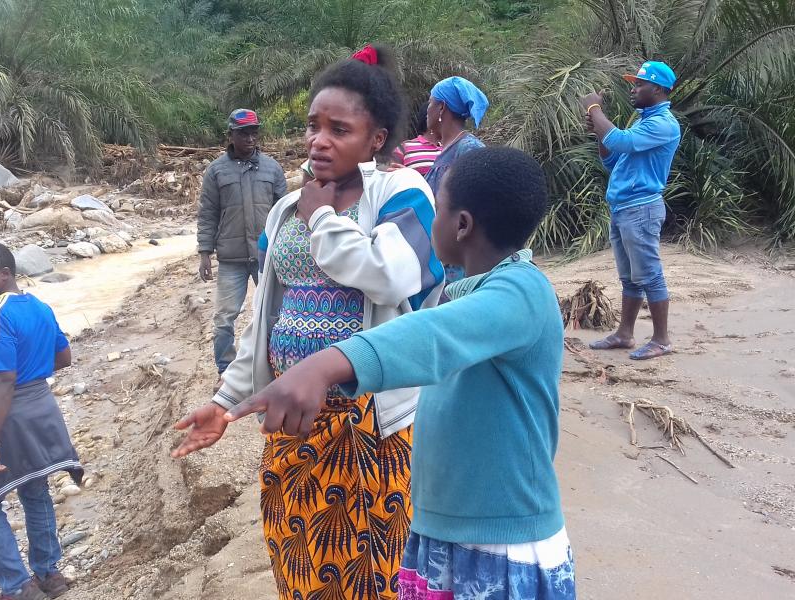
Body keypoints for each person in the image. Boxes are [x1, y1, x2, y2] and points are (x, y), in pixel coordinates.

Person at [226, 146, 575, 600]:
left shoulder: (522, 292)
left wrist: (325, 363)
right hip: (446, 531)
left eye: (439, 208)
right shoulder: (464, 292)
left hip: (502, 543)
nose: (430, 222)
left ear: (461, 225)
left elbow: (429, 338)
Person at [173, 44, 445, 600]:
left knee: (371, 565)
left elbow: (391, 277)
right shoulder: (284, 209)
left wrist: (321, 215)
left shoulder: (400, 194)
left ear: (377, 138)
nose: (318, 140)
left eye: (338, 129)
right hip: (290, 420)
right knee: (299, 558)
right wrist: (225, 402)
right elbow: (268, 314)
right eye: (313, 126)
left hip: (366, 423)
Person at [0, 242, 81, 600]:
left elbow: (4, 381)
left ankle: (17, 586)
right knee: (34, 488)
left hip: (9, 414)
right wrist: (26, 371)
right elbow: (64, 356)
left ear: (4, 274)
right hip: (43, 407)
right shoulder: (40, 306)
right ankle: (49, 574)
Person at [581, 60, 681, 360]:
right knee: (629, 278)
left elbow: (621, 142)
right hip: (624, 207)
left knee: (649, 275)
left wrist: (594, 110)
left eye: (639, 84)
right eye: (634, 83)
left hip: (641, 208)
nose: (633, 89)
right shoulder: (643, 121)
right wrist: (599, 132)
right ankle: (625, 334)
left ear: (659, 89)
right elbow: (612, 160)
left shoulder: (663, 123)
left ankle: (661, 340)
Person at [197, 109, 287, 380]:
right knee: (224, 318)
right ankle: (226, 371)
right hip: (231, 258)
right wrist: (204, 253)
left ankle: (276, 367)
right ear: (231, 135)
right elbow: (208, 212)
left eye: (253, 132)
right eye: (243, 133)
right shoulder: (216, 171)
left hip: (265, 256)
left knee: (277, 313)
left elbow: (285, 212)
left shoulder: (272, 168)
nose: (250, 138)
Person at [423, 76, 489, 283]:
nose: (427, 110)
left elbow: (481, 208)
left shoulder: (469, 150)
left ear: (442, 108)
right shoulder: (447, 151)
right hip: (443, 263)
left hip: (461, 269)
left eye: (430, 103)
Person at [391, 104, 442, 176]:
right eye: (441, 117)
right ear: (428, 117)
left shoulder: (449, 148)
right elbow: (391, 175)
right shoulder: (404, 147)